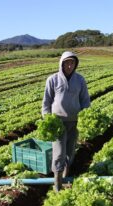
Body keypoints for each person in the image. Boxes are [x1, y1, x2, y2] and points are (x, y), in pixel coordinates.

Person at [41, 51, 90, 192]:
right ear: (61, 63)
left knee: (70, 152)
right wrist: (47, 118)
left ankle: (65, 177)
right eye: (67, 62)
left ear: (76, 64)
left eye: (72, 63)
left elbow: (85, 100)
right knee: (59, 153)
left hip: (74, 122)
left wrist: (87, 115)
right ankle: (57, 185)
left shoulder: (80, 80)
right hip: (58, 123)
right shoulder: (53, 79)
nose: (69, 65)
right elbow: (46, 102)